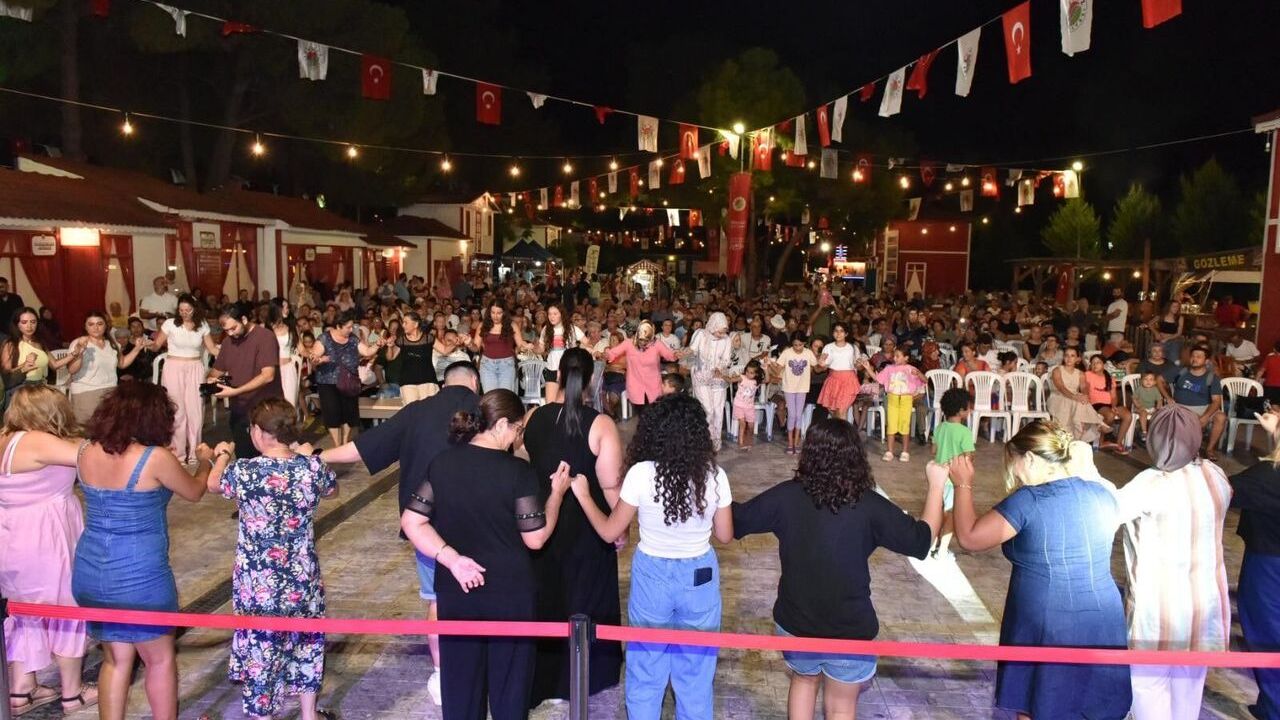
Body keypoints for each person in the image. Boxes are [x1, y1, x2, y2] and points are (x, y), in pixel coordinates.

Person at [732, 418, 944, 720]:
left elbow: (736, 519)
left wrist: (706, 485)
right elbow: (921, 541)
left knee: (803, 680)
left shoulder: (786, 496)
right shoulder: (869, 505)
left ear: (809, 453)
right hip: (849, 628)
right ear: (856, 456)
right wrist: (936, 486)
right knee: (841, 706)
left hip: (796, 623)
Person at [310, 361, 478, 705]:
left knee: (437, 600)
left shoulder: (417, 411)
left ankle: (442, 675)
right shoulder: (486, 408)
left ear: (442, 384)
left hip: (426, 525)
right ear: (475, 381)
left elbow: (362, 449)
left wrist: (316, 455)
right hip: (480, 521)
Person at [400, 389, 571, 720]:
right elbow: (536, 538)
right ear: (502, 424)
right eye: (518, 430)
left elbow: (411, 521)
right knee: (510, 690)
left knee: (460, 689)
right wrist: (556, 495)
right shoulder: (517, 471)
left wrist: (451, 558)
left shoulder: (442, 463)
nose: (518, 439)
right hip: (509, 595)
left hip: (458, 590)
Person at [945, 421, 1132, 719]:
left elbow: (969, 537)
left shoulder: (1030, 500)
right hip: (1103, 619)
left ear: (1030, 458)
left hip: (1049, 621)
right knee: (1090, 707)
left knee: (1037, 703)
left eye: (1015, 462)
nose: (1016, 472)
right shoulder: (1102, 494)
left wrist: (962, 483)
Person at [570, 393, 733, 719]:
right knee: (696, 670)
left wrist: (585, 496)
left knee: (646, 664)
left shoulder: (641, 474)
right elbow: (726, 535)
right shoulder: (714, 475)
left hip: (651, 574)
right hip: (699, 575)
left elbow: (610, 532)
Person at [72, 381, 213, 720]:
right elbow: (195, 491)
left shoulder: (86, 450)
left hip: (92, 570)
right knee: (159, 659)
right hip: (140, 575)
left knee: (115, 660)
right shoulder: (155, 458)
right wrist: (206, 461)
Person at [207, 399, 337, 720]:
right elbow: (332, 490)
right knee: (307, 641)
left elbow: (213, 483)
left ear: (258, 432)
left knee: (261, 649)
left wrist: (222, 454)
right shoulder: (312, 468)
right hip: (301, 576)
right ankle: (308, 714)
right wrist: (307, 455)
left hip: (258, 581)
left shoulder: (246, 471)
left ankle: (263, 714)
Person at [521, 348, 624, 706]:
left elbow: (527, 464)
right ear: (592, 379)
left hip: (544, 522)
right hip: (587, 527)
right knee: (587, 599)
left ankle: (547, 676)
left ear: (559, 376)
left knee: (548, 596)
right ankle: (591, 674)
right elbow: (611, 487)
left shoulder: (534, 417)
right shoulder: (601, 425)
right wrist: (620, 529)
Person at [1116, 405, 1231, 720]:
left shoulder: (1149, 483)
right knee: (1189, 689)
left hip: (1156, 610)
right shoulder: (1214, 475)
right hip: (1203, 606)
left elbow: (1107, 514)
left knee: (1147, 688)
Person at [0, 386, 98, 715]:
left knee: (23, 611)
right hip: (46, 536)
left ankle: (21, 689)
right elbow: (91, 455)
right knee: (66, 609)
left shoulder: (4, 439)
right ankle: (73, 693)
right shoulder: (39, 441)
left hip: (11, 533)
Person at [1229, 409, 1280, 719]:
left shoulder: (1266, 477)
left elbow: (1221, 491)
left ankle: (1274, 708)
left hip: (1268, 565)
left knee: (1267, 635)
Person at [208, 302, 285, 460]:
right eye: (226, 330)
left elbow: (268, 375)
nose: (230, 333)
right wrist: (211, 380)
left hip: (266, 409)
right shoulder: (228, 342)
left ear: (243, 319)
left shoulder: (265, 337)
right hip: (240, 409)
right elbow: (217, 371)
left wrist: (236, 391)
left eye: (233, 328)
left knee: (270, 460)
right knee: (244, 458)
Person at [150, 294, 220, 463]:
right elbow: (156, 345)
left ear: (195, 309)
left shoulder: (202, 325)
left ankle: (195, 452)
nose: (184, 313)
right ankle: (178, 453)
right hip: (173, 367)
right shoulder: (170, 324)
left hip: (195, 367)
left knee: (195, 410)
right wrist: (147, 344)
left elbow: (211, 348)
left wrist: (230, 354)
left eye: (188, 310)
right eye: (181, 310)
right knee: (177, 410)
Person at [66, 311, 147, 424]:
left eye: (99, 324)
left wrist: (137, 348)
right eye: (91, 324)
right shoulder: (78, 343)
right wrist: (79, 353)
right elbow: (72, 370)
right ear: (85, 327)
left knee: (109, 428)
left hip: (110, 391)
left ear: (105, 325)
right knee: (87, 429)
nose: (96, 328)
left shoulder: (112, 344)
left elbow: (122, 363)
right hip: (86, 392)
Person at [931, 387, 974, 560]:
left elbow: (934, 450)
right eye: (969, 408)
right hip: (954, 480)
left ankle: (931, 544)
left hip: (938, 478)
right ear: (961, 410)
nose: (970, 411)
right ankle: (942, 551)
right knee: (950, 515)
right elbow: (968, 457)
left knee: (937, 512)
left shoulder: (940, 427)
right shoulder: (965, 432)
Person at [605, 320, 679, 416]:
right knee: (641, 414)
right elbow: (612, 353)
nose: (643, 342)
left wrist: (676, 354)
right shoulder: (628, 343)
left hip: (653, 385)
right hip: (635, 384)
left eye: (647, 340)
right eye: (641, 339)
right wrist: (605, 354)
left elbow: (670, 355)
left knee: (654, 413)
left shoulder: (657, 344)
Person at [866, 347, 925, 462]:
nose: (895, 358)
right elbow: (878, 378)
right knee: (891, 425)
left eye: (898, 356)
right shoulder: (889, 368)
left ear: (906, 358)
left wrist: (918, 374)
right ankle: (889, 451)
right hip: (892, 398)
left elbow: (925, 380)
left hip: (906, 399)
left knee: (904, 425)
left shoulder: (911, 369)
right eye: (894, 356)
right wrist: (868, 369)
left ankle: (905, 451)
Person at [688, 312, 736, 449]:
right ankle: (704, 438)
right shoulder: (701, 334)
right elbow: (692, 350)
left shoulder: (727, 340)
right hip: (702, 374)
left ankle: (715, 439)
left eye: (724, 332)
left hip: (718, 376)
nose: (721, 335)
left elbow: (726, 359)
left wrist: (719, 368)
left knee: (718, 409)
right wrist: (682, 352)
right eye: (719, 332)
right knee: (707, 409)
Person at [1, 307, 80, 390]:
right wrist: (24, 365)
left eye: (33, 322)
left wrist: (74, 354)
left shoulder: (39, 342)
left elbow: (54, 364)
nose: (29, 326)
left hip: (41, 385)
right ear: (17, 324)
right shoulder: (11, 344)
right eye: (24, 322)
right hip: (22, 388)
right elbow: (6, 375)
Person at [1171, 345, 1226, 461]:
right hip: (1182, 408)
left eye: (1199, 357)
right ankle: (1190, 448)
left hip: (1204, 407)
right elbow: (1159, 380)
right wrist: (1167, 397)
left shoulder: (1212, 378)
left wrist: (1206, 416)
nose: (1194, 359)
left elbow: (1216, 401)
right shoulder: (1181, 372)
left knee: (1221, 417)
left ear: (1206, 361)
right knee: (1193, 418)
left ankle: (1209, 449)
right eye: (1193, 356)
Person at [1047, 347, 1107, 442]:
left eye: (1072, 356)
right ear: (1063, 357)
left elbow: (1084, 387)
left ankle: (1078, 434)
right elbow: (1061, 387)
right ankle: (1097, 422)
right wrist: (1075, 397)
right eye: (1066, 355)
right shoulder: (1057, 370)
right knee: (1078, 402)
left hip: (1074, 398)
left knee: (1081, 401)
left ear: (1077, 359)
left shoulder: (1080, 373)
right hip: (1058, 397)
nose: (1069, 358)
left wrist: (1085, 396)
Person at [468, 301, 528, 393]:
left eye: (499, 313)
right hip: (487, 365)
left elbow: (520, 344)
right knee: (491, 396)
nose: (495, 316)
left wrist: (525, 346)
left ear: (504, 313)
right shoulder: (483, 325)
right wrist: (469, 343)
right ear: (489, 312)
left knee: (505, 397)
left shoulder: (512, 325)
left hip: (507, 366)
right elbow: (476, 347)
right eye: (493, 312)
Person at [774, 333, 818, 454]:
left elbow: (816, 366)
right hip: (789, 387)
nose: (797, 347)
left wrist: (820, 360)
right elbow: (778, 368)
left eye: (800, 345)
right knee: (792, 415)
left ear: (804, 344)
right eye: (795, 345)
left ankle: (796, 441)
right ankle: (790, 442)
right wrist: (772, 366)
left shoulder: (808, 353)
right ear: (791, 344)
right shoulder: (787, 353)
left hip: (802, 388)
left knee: (799, 415)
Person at [387, 311, 438, 403]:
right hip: (407, 383)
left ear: (415, 324)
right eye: (403, 322)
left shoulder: (428, 338)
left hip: (428, 381)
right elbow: (390, 357)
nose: (403, 325)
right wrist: (390, 347)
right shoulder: (402, 340)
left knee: (429, 409)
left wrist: (456, 342)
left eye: (406, 322)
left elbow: (445, 350)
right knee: (411, 410)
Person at [1085, 354, 1132, 453]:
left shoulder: (1109, 378)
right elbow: (1085, 392)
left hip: (1109, 404)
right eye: (1093, 363)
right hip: (1096, 404)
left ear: (1104, 365)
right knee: (1110, 415)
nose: (1095, 365)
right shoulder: (1088, 375)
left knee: (1128, 415)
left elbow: (1114, 396)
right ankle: (1100, 441)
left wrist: (1114, 406)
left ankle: (1118, 443)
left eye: (1098, 362)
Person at [537, 304, 584, 403]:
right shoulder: (546, 329)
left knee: (569, 400)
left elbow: (586, 343)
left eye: (555, 314)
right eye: (549, 314)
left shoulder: (572, 328)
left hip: (569, 368)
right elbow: (541, 349)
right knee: (550, 402)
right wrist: (532, 348)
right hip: (552, 368)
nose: (552, 317)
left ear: (561, 314)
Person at [816, 322, 860, 423]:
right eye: (836, 331)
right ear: (833, 333)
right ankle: (840, 430)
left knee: (841, 410)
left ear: (846, 334)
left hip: (849, 381)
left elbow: (857, 365)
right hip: (833, 380)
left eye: (841, 331)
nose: (838, 333)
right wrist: (821, 363)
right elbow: (822, 367)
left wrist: (861, 364)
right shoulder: (828, 347)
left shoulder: (852, 348)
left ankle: (842, 432)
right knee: (834, 411)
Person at [267, 299, 301, 408]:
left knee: (289, 403)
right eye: (285, 307)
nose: (288, 310)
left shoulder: (292, 327)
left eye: (288, 307)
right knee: (273, 404)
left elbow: (301, 348)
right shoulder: (266, 328)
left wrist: (313, 355)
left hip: (288, 369)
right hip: (272, 370)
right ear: (277, 309)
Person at [732, 361, 761, 450]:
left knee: (751, 426)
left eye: (751, 373)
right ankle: (741, 442)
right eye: (747, 371)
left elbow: (767, 379)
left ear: (756, 374)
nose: (748, 374)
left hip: (749, 407)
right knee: (742, 423)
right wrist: (722, 376)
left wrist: (766, 368)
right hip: (739, 404)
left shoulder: (756, 382)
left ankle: (749, 440)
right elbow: (730, 380)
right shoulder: (742, 378)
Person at [1131, 371, 1165, 442]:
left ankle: (1155, 431)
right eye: (1145, 379)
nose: (1148, 381)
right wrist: (1139, 406)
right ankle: (1144, 432)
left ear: (1155, 382)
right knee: (1143, 413)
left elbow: (1159, 399)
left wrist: (1158, 406)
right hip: (1140, 408)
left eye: (1151, 379)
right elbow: (1134, 398)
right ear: (1141, 381)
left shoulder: (1155, 390)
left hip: (1151, 408)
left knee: (1159, 414)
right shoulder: (1139, 389)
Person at [1258, 340, 1280, 404]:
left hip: (1270, 387)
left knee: (1269, 406)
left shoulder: (1269, 358)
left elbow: (1261, 371)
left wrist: (1255, 382)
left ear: (1274, 349)